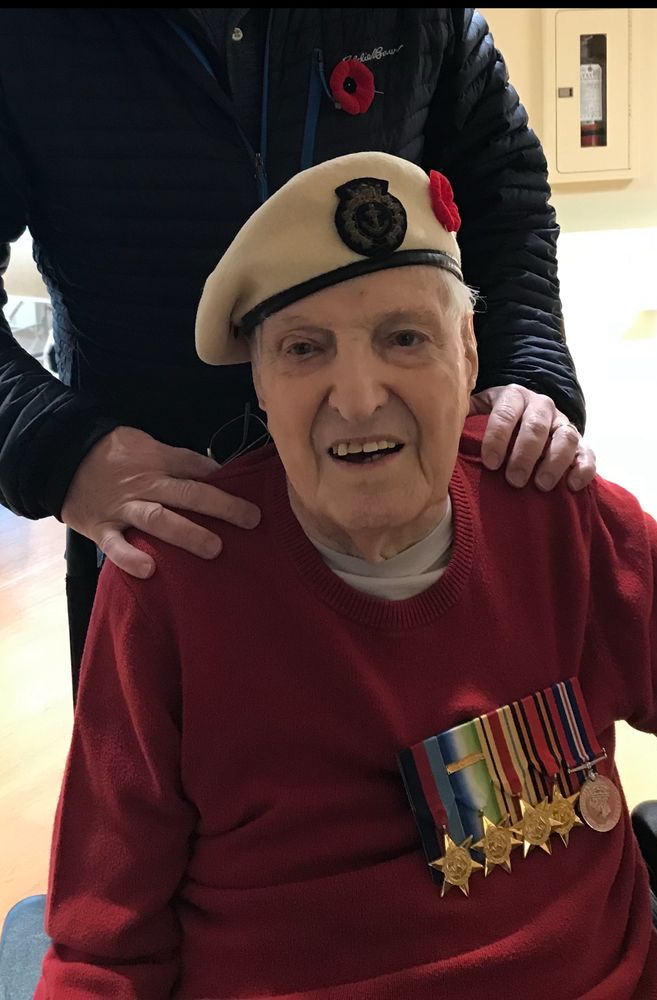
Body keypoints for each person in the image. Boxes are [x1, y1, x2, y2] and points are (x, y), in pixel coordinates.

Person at [32, 153, 657, 1000]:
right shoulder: (171, 587)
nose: (360, 397)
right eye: (305, 349)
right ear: (259, 381)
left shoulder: (559, 519)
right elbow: (104, 954)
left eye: (405, 338)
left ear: (470, 352)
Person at [0, 9, 595, 700]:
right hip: (167, 542)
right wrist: (61, 452)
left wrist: (526, 367)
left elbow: (503, 194)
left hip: (416, 538)